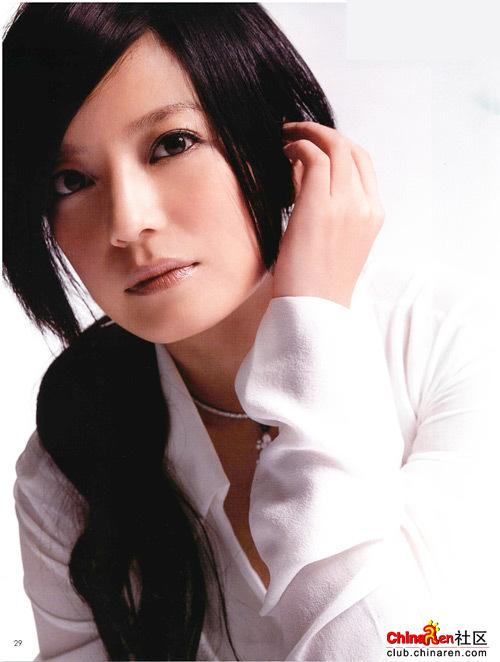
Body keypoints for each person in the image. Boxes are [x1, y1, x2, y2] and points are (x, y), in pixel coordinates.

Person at [3, 3, 498, 661]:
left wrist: (311, 327)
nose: (126, 222)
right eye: (71, 181)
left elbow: (408, 649)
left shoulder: (456, 347)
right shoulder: (69, 457)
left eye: (171, 144)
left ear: (276, 143)